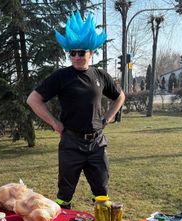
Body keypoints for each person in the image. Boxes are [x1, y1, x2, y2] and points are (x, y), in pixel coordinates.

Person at [27, 12, 125, 209]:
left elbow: (120, 96)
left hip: (97, 143)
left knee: (102, 193)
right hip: (71, 142)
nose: (77, 57)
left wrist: (108, 117)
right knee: (64, 195)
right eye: (72, 53)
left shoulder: (101, 75)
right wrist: (55, 123)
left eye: (81, 52)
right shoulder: (61, 77)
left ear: (91, 52)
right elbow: (33, 100)